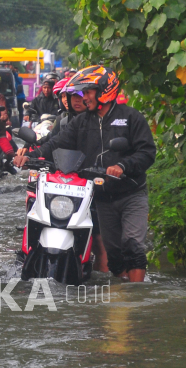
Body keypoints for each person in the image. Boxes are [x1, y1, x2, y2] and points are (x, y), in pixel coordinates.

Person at [13, 65, 156, 282]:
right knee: (114, 255)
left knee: (133, 245)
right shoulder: (81, 122)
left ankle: (137, 299)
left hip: (130, 194)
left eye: (88, 92)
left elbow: (147, 152)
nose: (84, 97)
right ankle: (121, 294)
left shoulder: (131, 118)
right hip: (101, 197)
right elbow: (56, 143)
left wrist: (123, 166)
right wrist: (32, 155)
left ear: (104, 91)